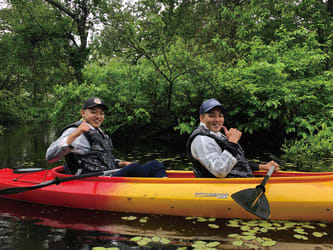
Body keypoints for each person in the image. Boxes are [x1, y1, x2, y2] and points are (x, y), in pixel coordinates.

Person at [46, 97, 167, 177]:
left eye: (101, 113)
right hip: (92, 180)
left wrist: (122, 163)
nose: (98, 116)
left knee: (156, 164)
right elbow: (50, 156)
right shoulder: (74, 131)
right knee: (135, 168)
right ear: (83, 113)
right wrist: (75, 134)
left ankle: (164, 188)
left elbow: (104, 159)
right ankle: (152, 192)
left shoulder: (101, 133)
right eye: (93, 112)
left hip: (110, 175)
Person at [186, 98, 279, 178]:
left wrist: (262, 167)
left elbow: (235, 164)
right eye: (211, 116)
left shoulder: (216, 135)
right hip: (218, 188)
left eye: (220, 116)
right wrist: (232, 143)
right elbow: (219, 171)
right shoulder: (202, 140)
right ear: (202, 118)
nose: (217, 120)